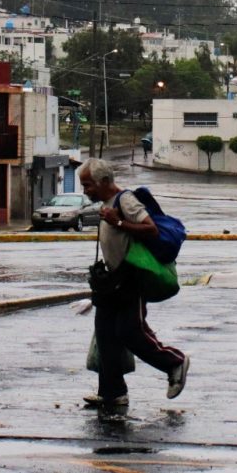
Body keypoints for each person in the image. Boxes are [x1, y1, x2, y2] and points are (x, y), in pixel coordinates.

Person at [78, 158, 190, 409]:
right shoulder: (107, 203)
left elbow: (151, 229)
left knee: (130, 331)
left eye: (88, 185)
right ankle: (112, 392)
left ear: (105, 181)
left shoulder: (125, 200)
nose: (86, 191)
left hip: (130, 278)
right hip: (110, 282)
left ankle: (174, 363)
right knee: (106, 335)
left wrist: (117, 221)